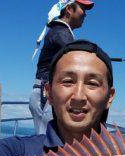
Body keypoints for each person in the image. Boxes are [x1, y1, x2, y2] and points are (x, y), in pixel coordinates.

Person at [30, 0, 94, 135]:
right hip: (46, 94)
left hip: (46, 92)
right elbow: (76, 55)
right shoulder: (61, 32)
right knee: (46, 143)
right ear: (69, 9)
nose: (85, 15)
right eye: (83, 9)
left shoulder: (61, 32)